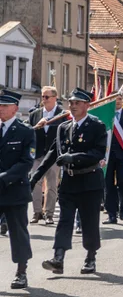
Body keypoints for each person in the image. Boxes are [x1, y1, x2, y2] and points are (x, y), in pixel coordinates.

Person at [31, 88, 108, 275]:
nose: (73, 106)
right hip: (69, 182)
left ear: (87, 105)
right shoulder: (63, 128)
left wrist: (74, 157)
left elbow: (98, 153)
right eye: (71, 103)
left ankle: (90, 257)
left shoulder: (97, 126)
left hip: (89, 181)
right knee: (64, 221)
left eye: (77, 103)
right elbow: (51, 154)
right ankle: (58, 258)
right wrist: (35, 177)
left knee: (89, 221)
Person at [0, 90, 37, 290]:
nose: (1, 109)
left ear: (15, 108)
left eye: (5, 106)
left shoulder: (25, 131)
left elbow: (26, 162)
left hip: (15, 191)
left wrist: (4, 178)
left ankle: (21, 272)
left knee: (18, 233)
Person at [29, 86, 64, 225]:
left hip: (53, 155)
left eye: (46, 97)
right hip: (38, 154)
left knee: (52, 184)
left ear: (55, 98)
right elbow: (29, 133)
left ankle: (49, 213)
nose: (44, 99)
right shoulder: (35, 114)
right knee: (35, 181)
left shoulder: (62, 114)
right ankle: (37, 212)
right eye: (42, 96)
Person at [103, 100, 123, 224]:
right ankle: (111, 214)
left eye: (120, 99)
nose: (118, 102)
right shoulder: (105, 115)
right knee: (108, 185)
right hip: (108, 155)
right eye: (115, 99)